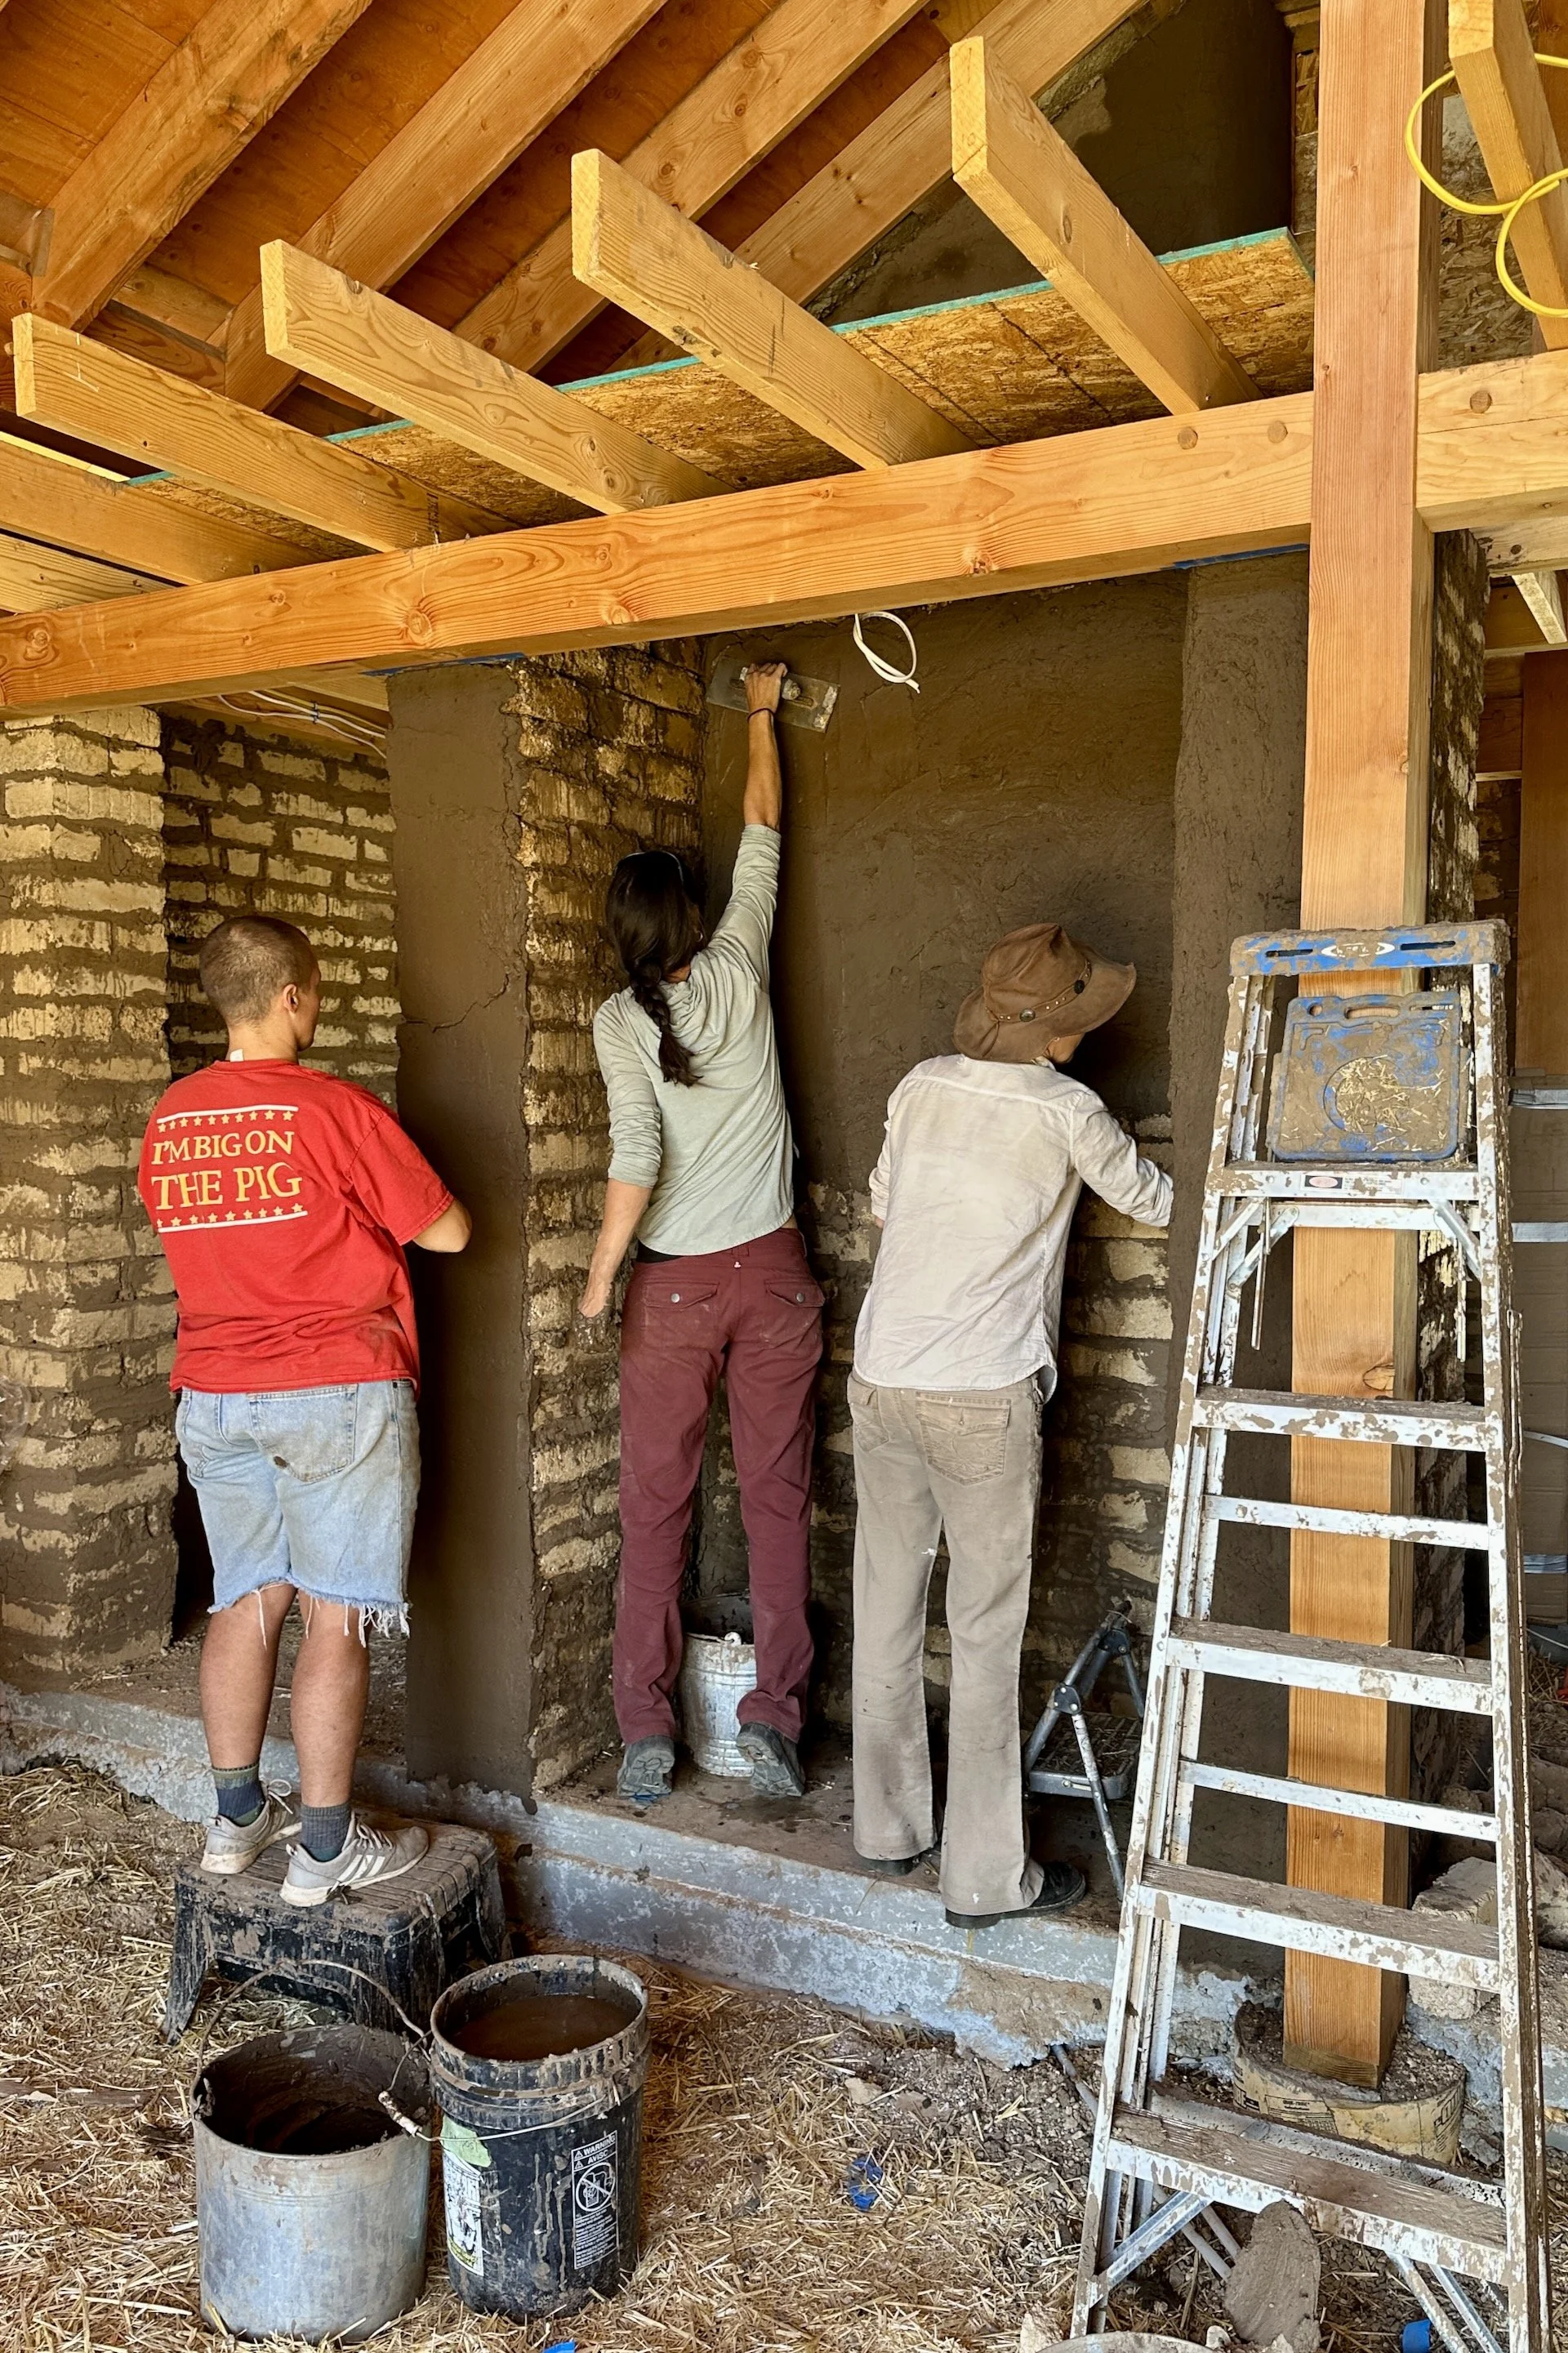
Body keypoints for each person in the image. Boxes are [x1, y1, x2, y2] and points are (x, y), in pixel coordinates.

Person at [138, 916, 471, 1905]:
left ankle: (237, 1818)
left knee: (245, 1600)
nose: (316, 1008)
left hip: (214, 1394)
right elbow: (448, 1232)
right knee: (336, 1612)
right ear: (292, 995)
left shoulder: (171, 1118)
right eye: (315, 994)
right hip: (332, 1389)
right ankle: (325, 1850)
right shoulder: (332, 1109)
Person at [849, 921, 1172, 1930]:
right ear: (1062, 1029)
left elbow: (883, 1211)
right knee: (985, 1634)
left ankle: (888, 1830)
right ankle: (986, 1881)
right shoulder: (1070, 1111)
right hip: (981, 1394)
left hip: (882, 1375)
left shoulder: (920, 1084)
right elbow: (1154, 1202)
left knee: (888, 1607)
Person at [581, 660, 824, 1806]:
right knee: (777, 1500)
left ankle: (643, 1732)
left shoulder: (619, 1022)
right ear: (692, 918)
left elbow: (636, 1159)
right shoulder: (740, 966)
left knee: (655, 1511)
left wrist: (596, 1289)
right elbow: (763, 821)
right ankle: (774, 1717)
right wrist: (762, 714)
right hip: (772, 1276)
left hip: (670, 1292)